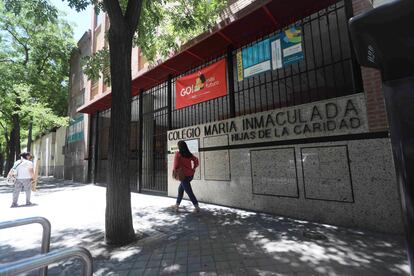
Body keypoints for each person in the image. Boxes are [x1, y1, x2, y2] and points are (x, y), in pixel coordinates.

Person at [172, 141, 200, 213]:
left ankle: (197, 207)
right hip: (190, 175)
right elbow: (196, 160)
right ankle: (177, 205)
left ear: (179, 147)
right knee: (180, 189)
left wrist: (174, 172)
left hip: (183, 176)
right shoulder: (189, 154)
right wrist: (193, 168)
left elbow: (175, 165)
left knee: (189, 192)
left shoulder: (178, 154)